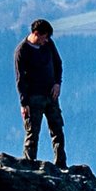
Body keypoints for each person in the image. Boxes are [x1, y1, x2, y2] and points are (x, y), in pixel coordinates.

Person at [14, 18, 66, 167]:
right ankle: (29, 165)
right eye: (44, 37)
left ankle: (61, 164)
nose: (46, 41)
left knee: (57, 130)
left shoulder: (49, 44)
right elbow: (20, 79)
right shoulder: (22, 51)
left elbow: (58, 63)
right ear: (36, 33)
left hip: (51, 95)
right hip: (33, 98)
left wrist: (57, 83)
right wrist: (24, 103)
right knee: (32, 134)